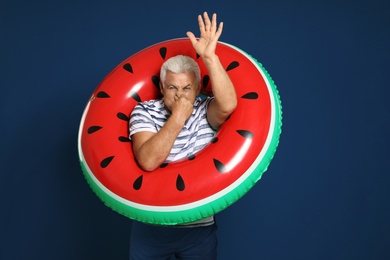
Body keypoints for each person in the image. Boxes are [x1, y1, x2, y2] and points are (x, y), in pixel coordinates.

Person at [128, 12, 237, 260]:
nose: (180, 95)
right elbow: (147, 160)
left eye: (187, 88)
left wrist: (209, 57)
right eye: (172, 88)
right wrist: (178, 117)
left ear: (198, 89)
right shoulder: (144, 110)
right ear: (161, 89)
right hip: (151, 226)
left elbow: (229, 105)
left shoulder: (205, 109)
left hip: (199, 229)